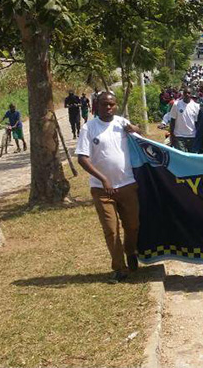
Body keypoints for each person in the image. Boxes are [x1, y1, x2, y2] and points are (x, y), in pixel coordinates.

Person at [75, 93, 142, 284]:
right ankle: (119, 268)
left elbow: (141, 141)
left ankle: (131, 252)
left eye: (112, 104)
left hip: (127, 184)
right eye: (104, 104)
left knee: (133, 226)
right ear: (97, 106)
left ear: (116, 105)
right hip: (102, 189)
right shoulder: (89, 128)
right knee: (111, 230)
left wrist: (136, 129)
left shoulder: (122, 123)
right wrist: (103, 179)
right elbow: (82, 158)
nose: (109, 108)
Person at [169, 88, 200, 152]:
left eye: (189, 93)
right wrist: (172, 135)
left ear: (191, 95)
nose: (187, 94)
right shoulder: (176, 105)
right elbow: (172, 121)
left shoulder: (196, 106)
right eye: (185, 93)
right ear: (183, 94)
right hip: (179, 136)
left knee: (192, 158)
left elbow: (196, 123)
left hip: (192, 136)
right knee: (182, 157)